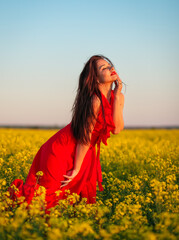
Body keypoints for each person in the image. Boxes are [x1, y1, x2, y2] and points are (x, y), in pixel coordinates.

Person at [8, 55, 125, 211]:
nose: (110, 68)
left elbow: (117, 128)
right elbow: (85, 138)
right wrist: (77, 168)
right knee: (47, 196)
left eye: (109, 65)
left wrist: (116, 96)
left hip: (83, 152)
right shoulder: (94, 101)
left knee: (73, 199)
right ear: (95, 79)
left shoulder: (119, 97)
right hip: (63, 149)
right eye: (103, 68)